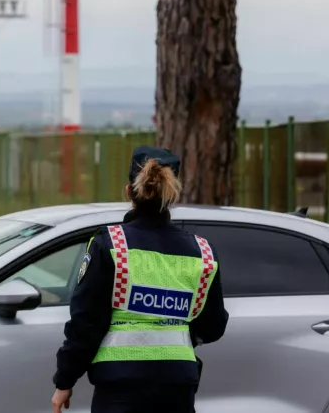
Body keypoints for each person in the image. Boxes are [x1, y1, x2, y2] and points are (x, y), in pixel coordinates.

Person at [50, 146, 229, 413]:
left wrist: (65, 380)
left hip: (120, 390)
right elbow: (214, 325)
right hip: (178, 387)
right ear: (172, 195)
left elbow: (86, 324)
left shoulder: (111, 245)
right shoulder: (202, 252)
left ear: (129, 191)